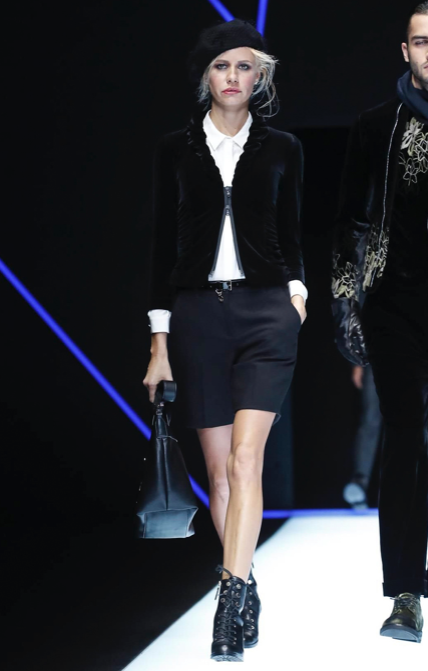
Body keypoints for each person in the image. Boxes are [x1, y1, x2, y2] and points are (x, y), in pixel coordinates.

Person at [143, 19, 307, 661]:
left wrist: (297, 296)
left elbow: (292, 232)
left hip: (267, 314)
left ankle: (228, 604)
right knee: (218, 475)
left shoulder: (284, 147)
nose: (232, 77)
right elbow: (162, 246)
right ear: (205, 76)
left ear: (259, 76)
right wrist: (159, 342)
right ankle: (247, 584)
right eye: (221, 66)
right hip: (196, 318)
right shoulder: (174, 150)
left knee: (244, 462)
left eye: (244, 66)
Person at [332, 2, 428, 643]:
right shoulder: (376, 126)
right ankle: (405, 594)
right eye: (423, 42)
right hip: (396, 305)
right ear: (405, 51)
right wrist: (346, 305)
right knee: (403, 441)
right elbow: (349, 222)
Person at [342, 364, 383, 510]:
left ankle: (412, 484)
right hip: (376, 360)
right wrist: (357, 364)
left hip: (414, 358)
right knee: (370, 419)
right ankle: (359, 483)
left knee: (411, 422)